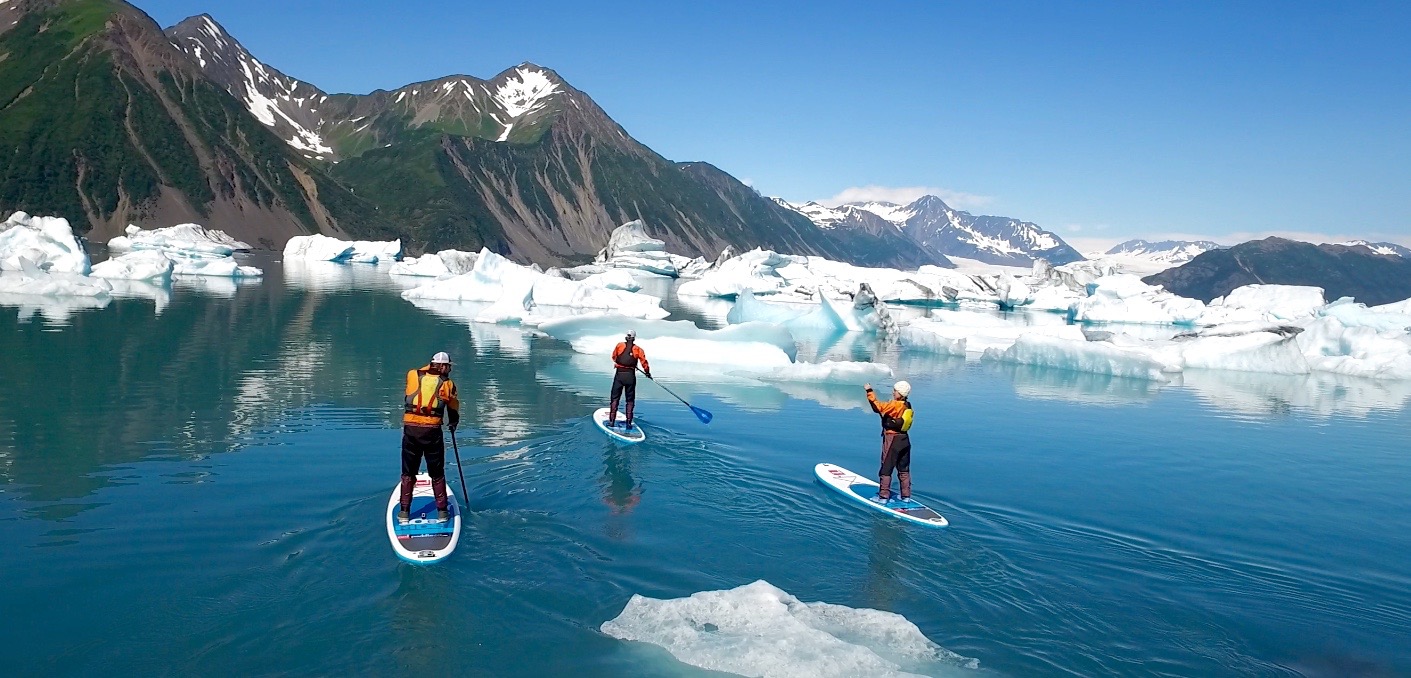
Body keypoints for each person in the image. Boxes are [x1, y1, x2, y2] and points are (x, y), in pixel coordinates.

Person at [399, 352, 460, 523]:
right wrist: (453, 423)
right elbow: (453, 407)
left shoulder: (412, 375)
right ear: (442, 366)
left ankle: (404, 513)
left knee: (408, 472)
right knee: (437, 472)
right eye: (448, 367)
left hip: (411, 430)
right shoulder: (447, 384)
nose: (449, 370)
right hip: (431, 432)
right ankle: (442, 513)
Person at [864, 380, 913, 504]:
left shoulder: (894, 405)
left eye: (895, 391)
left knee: (886, 468)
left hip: (892, 440)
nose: (893, 392)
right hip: (905, 440)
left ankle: (883, 497)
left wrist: (869, 391)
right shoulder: (907, 405)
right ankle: (906, 496)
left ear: (900, 393)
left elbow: (877, 407)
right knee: (904, 469)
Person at [607, 330, 651, 429]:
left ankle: (611, 422)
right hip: (630, 377)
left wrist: (622, 363)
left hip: (619, 375)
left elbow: (614, 357)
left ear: (626, 337)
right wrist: (647, 373)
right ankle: (628, 423)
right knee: (630, 400)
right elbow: (644, 362)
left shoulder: (619, 345)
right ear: (634, 338)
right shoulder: (638, 349)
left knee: (615, 398)